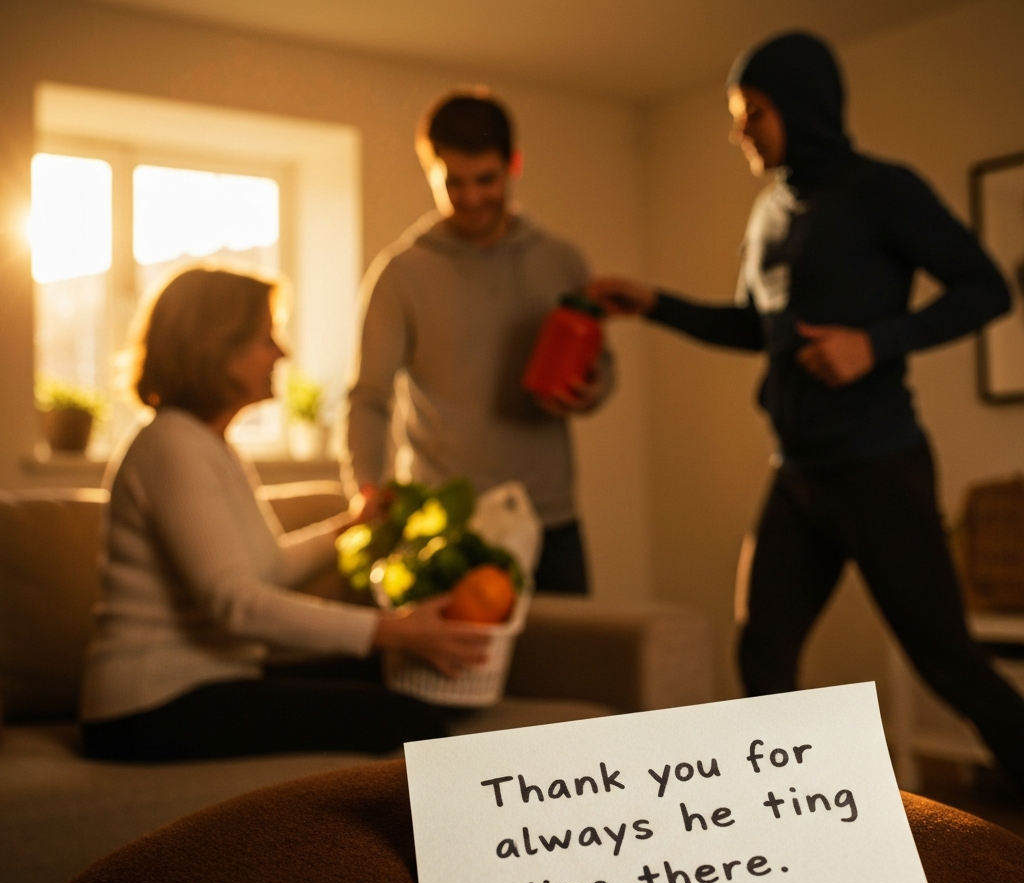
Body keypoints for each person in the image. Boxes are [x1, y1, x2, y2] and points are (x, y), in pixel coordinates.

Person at [589, 31, 1024, 792]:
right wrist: (653, 305)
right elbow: (759, 330)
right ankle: (791, 836)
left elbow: (987, 287)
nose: (740, 131)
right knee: (762, 657)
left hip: (877, 465)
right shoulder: (769, 215)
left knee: (948, 663)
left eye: (751, 112)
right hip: (797, 474)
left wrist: (877, 343)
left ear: (800, 107)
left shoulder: (884, 191)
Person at [81, 265, 489, 762]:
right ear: (216, 347)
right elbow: (237, 603)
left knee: (392, 678)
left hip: (204, 685)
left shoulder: (209, 445)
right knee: (407, 720)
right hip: (148, 706)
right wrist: (393, 629)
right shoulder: (172, 447)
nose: (282, 352)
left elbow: (263, 569)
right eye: (264, 338)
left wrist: (349, 529)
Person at [347, 88, 615, 594]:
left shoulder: (562, 261)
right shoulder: (401, 273)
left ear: (514, 164)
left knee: (566, 671)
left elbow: (604, 366)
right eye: (453, 183)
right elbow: (368, 398)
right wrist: (366, 487)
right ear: (431, 172)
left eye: (486, 180)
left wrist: (592, 389)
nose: (470, 199)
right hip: (446, 525)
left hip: (548, 519)